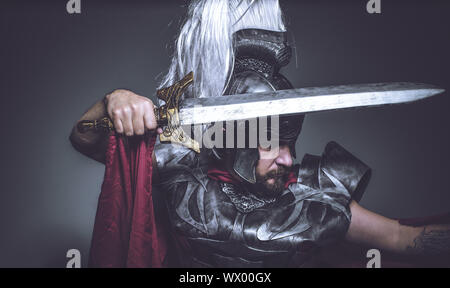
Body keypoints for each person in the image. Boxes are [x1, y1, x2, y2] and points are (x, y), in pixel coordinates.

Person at [70, 0, 450, 267]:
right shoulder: (179, 170)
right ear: (235, 142)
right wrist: (114, 101)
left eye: (290, 144)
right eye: (270, 143)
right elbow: (85, 137)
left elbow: (404, 240)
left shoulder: (315, 200)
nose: (287, 158)